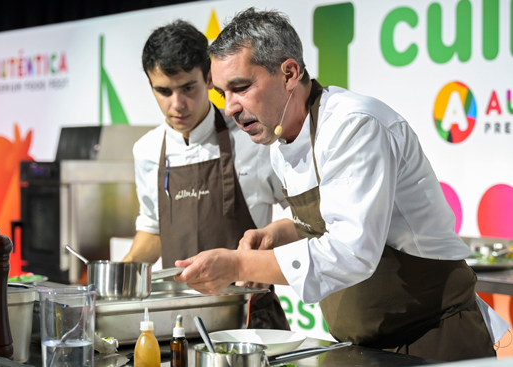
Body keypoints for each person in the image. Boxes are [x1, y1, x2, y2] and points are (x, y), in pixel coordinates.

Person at [175, 8, 509, 361]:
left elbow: (352, 252)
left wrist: (239, 265)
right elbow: (330, 218)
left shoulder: (356, 127)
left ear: (289, 73)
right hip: (366, 344)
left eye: (241, 88)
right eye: (223, 93)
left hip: (435, 338)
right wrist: (280, 232)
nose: (229, 107)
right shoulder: (279, 141)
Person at [122, 19, 290, 330]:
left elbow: (305, 216)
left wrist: (261, 257)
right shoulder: (146, 151)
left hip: (251, 321)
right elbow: (153, 228)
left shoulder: (254, 139)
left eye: (188, 88)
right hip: (176, 323)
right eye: (163, 91)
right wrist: (120, 276)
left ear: (209, 78)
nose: (178, 104)